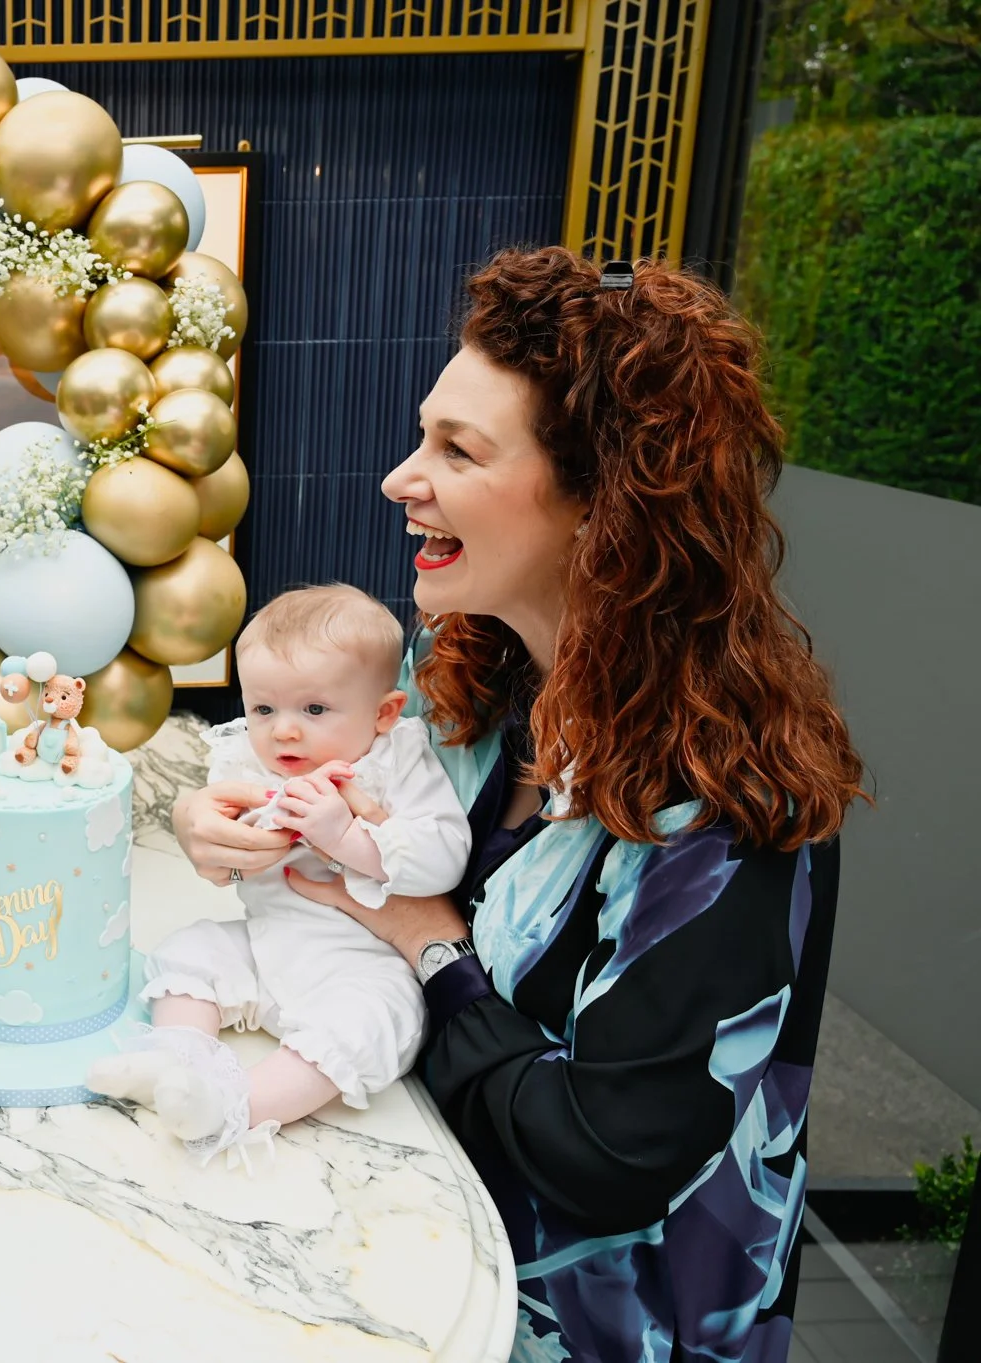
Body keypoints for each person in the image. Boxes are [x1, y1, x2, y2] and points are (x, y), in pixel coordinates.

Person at [169, 248, 860, 1361]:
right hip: (434, 1252)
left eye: (457, 449)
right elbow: (330, 802)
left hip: (608, 1328)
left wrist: (431, 948)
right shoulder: (479, 680)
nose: (399, 477)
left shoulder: (725, 804)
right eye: (420, 435)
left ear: (604, 501)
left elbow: (603, 1150)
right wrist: (217, 824)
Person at [90, 585, 469, 1167]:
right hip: (267, 947)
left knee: (370, 1026)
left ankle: (234, 1103)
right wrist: (235, 829)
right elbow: (228, 838)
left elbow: (444, 854)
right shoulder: (248, 758)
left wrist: (345, 837)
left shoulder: (397, 761)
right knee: (189, 949)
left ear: (385, 712)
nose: (283, 731)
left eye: (314, 710)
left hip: (362, 964)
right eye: (264, 709)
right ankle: (175, 1057)